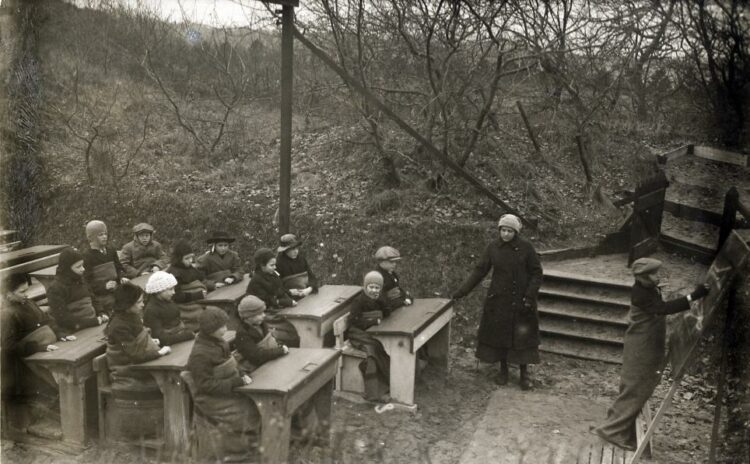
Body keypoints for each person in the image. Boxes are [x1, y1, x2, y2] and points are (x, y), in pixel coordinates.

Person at [593, 257, 710, 451]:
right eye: (654, 274)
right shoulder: (641, 293)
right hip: (641, 346)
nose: (658, 276)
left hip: (647, 343)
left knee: (635, 387)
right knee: (635, 388)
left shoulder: (646, 288)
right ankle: (612, 431)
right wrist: (693, 296)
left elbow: (657, 300)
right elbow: (663, 309)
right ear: (643, 277)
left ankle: (614, 425)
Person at [451, 214, 543, 390]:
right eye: (503, 230)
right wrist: (461, 292)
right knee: (500, 336)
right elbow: (479, 271)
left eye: (510, 231)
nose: (506, 234)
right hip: (500, 300)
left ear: (516, 232)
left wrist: (529, 296)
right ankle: (503, 371)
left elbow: (537, 273)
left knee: (522, 337)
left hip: (522, 300)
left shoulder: (526, 248)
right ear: (499, 230)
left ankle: (524, 374)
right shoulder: (493, 248)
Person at [187, 307, 256, 459]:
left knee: (254, 404)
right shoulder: (200, 354)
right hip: (210, 398)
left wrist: (242, 372)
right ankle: (235, 452)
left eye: (225, 325)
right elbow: (204, 385)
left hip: (224, 389)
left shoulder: (219, 342)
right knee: (248, 409)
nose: (225, 330)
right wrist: (234, 382)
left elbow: (231, 362)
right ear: (209, 330)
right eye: (221, 327)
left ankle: (242, 448)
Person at [1, 273, 68, 430]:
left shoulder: (28, 303)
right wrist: (38, 348)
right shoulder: (7, 314)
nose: (27, 294)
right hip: (23, 362)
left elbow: (47, 319)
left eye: (27, 290)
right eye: (22, 292)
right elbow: (8, 346)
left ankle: (59, 405)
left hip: (42, 351)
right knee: (60, 376)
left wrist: (59, 334)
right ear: (8, 294)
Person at [105, 283, 171, 393]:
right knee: (171, 382)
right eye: (139, 302)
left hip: (136, 365)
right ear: (127, 304)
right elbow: (135, 356)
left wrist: (149, 341)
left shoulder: (131, 316)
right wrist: (159, 353)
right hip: (127, 372)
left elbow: (137, 340)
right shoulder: (119, 326)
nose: (143, 305)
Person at [346, 271, 391, 402]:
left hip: (370, 332)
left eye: (377, 288)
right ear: (365, 287)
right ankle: (374, 392)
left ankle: (387, 385)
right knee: (373, 352)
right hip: (356, 333)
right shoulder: (359, 301)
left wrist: (383, 303)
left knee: (381, 347)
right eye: (371, 287)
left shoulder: (379, 299)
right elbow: (353, 321)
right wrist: (371, 321)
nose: (373, 290)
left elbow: (387, 311)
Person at [47, 246, 109, 334]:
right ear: (67, 269)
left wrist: (101, 312)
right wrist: (92, 322)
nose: (83, 269)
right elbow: (64, 319)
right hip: (75, 330)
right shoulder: (55, 288)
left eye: (82, 265)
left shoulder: (80, 278)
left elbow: (93, 298)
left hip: (92, 322)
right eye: (78, 266)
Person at [246, 247, 300, 347]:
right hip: (264, 312)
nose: (275, 267)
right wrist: (287, 302)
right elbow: (267, 300)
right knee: (290, 329)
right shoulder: (257, 281)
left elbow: (279, 288)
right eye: (272, 265)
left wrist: (290, 293)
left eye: (275, 264)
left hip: (276, 307)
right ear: (262, 266)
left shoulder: (272, 274)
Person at [233, 295, 288, 374]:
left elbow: (271, 339)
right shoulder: (242, 334)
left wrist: (280, 345)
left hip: (269, 360)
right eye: (259, 314)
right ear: (248, 317)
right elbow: (256, 357)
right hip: (256, 368)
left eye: (263, 312)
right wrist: (280, 351)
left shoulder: (261, 324)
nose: (264, 315)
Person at [82, 220, 128, 315]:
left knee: (133, 293)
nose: (104, 237)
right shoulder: (87, 256)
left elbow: (118, 268)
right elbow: (87, 282)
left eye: (105, 234)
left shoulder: (111, 250)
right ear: (92, 238)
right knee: (116, 303)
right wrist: (104, 286)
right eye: (100, 235)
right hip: (102, 294)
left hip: (117, 287)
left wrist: (121, 278)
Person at [143, 271, 195, 347]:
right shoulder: (151, 310)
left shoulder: (167, 301)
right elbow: (160, 338)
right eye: (170, 289)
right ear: (159, 290)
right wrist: (185, 336)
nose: (174, 292)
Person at [166, 240, 208, 332]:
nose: (190, 261)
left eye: (191, 257)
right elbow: (176, 296)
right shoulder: (174, 273)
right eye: (186, 258)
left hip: (197, 297)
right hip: (185, 306)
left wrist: (212, 285)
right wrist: (198, 295)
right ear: (178, 258)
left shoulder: (189, 267)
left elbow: (200, 279)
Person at [275, 234, 318, 299]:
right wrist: (289, 292)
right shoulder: (278, 263)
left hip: (306, 294)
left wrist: (309, 289)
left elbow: (312, 277)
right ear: (285, 250)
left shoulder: (301, 259)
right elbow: (276, 286)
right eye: (292, 249)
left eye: (297, 248)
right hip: (290, 299)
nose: (296, 251)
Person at [373, 246, 412, 312]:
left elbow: (397, 288)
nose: (394, 264)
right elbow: (381, 300)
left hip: (396, 305)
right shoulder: (377, 277)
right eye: (391, 262)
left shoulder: (390, 272)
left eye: (395, 262)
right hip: (386, 309)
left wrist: (406, 297)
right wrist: (402, 302)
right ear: (381, 262)